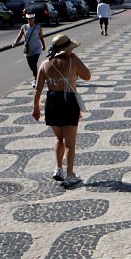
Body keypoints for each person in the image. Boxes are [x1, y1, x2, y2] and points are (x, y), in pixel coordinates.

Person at [33, 34, 91, 186]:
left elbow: (38, 88)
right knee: (70, 143)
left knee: (59, 138)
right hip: (68, 102)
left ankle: (58, 169)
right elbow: (87, 76)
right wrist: (76, 60)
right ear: (66, 49)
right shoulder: (72, 60)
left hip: (52, 103)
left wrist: (35, 107)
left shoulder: (45, 64)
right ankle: (70, 175)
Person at [11, 13, 46, 88]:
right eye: (29, 19)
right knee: (31, 65)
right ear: (27, 19)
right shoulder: (24, 27)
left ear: (34, 19)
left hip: (37, 48)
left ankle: (35, 80)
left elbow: (41, 37)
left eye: (32, 19)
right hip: (28, 49)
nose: (30, 20)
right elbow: (19, 36)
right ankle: (38, 74)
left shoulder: (38, 27)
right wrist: (15, 43)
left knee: (34, 63)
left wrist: (43, 45)